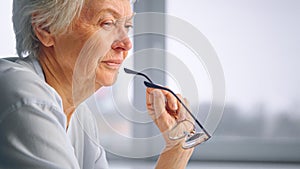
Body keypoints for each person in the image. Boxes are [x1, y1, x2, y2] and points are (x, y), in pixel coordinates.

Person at [0, 0, 194, 168]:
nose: (126, 44)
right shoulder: (25, 98)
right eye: (107, 23)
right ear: (45, 27)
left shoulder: (80, 118)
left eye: (127, 26)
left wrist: (178, 148)